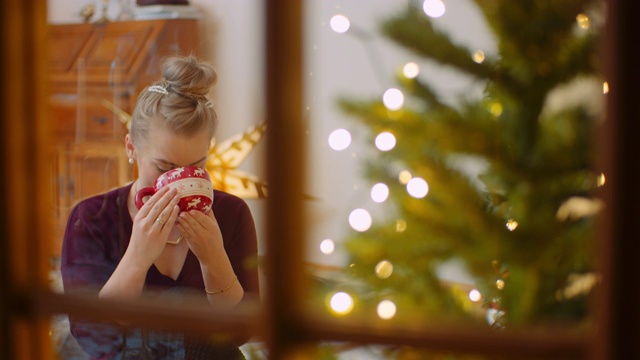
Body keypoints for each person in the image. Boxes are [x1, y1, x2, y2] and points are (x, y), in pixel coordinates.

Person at [61, 55, 260, 359]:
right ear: (131, 148)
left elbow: (242, 332)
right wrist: (138, 256)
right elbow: (93, 336)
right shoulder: (91, 218)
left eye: (196, 167)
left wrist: (213, 260)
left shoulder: (232, 213)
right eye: (164, 167)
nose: (178, 182)